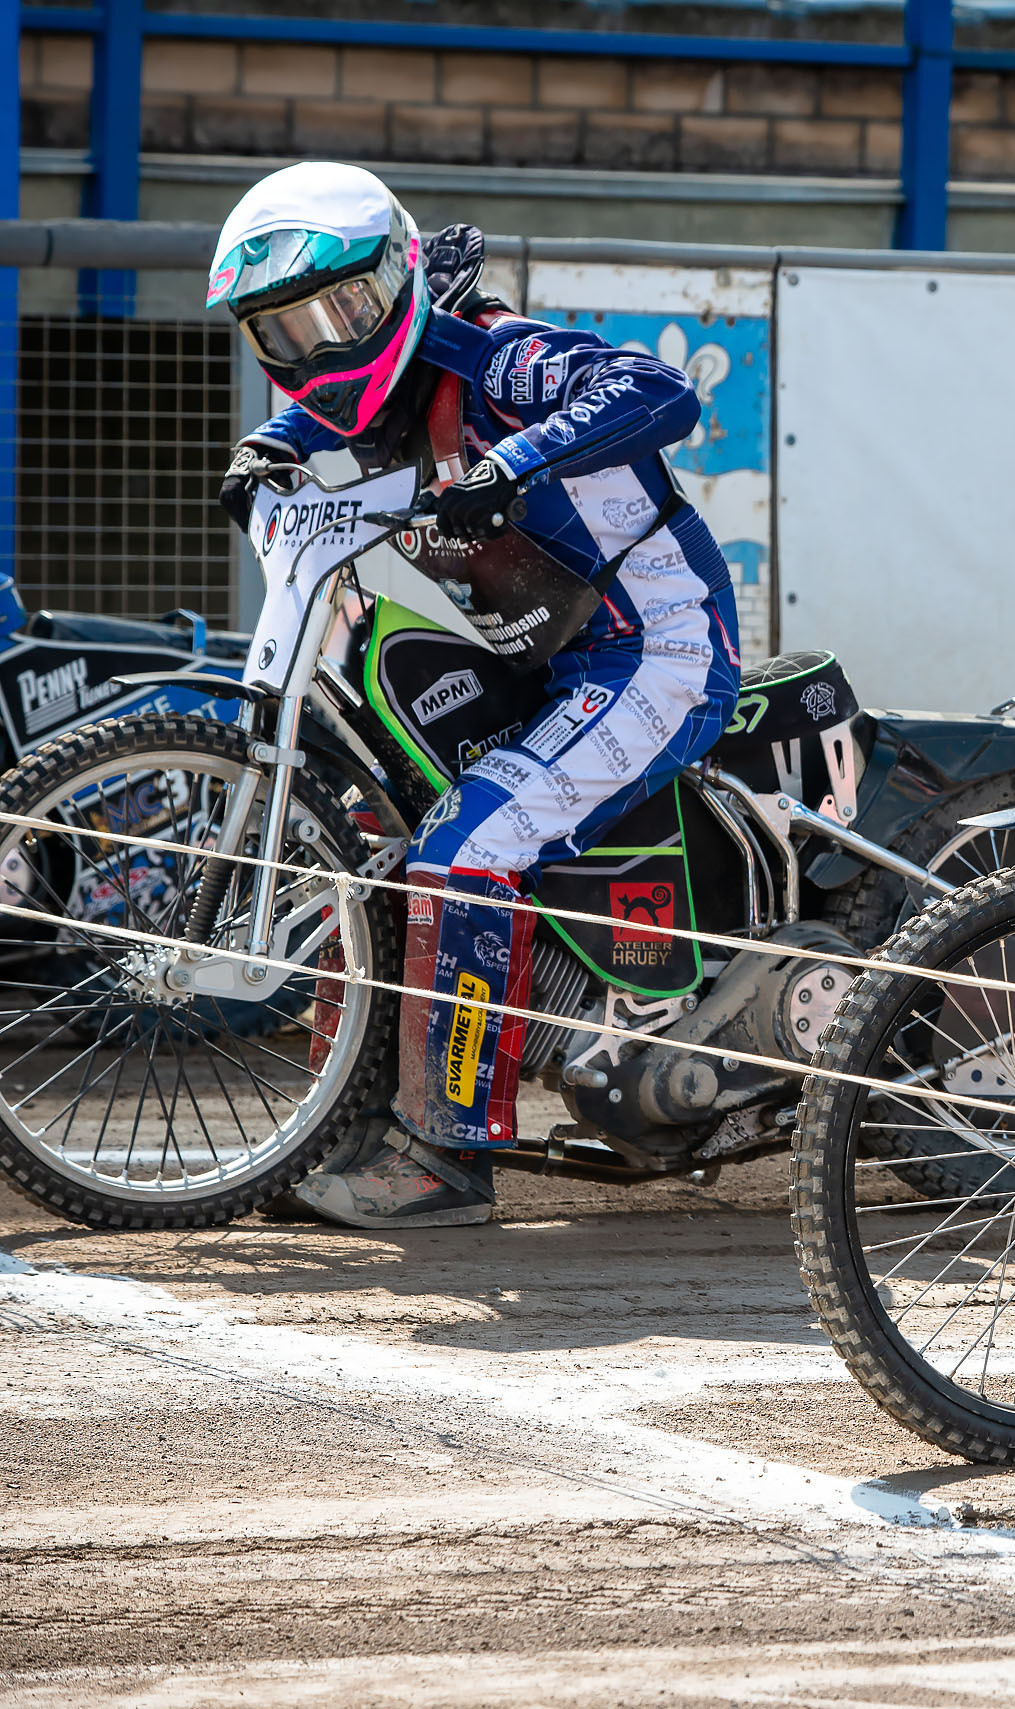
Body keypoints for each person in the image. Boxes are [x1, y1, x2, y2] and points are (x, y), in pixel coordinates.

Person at [210, 161, 742, 1228]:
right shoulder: (385, 399)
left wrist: (515, 465)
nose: (320, 346)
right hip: (549, 663)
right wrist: (275, 442)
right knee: (373, 831)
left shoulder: (501, 357)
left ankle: (447, 1158)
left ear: (397, 277)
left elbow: (659, 389)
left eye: (341, 311)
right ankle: (344, 1124)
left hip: (658, 653)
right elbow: (339, 416)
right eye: (286, 331)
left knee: (464, 847)